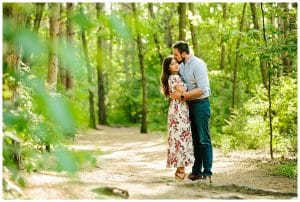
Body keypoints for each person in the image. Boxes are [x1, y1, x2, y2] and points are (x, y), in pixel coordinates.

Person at [170, 41, 213, 183]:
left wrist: (182, 96)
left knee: (203, 140)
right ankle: (196, 171)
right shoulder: (181, 66)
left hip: (201, 104)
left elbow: (203, 89)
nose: (174, 57)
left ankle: (207, 173)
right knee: (194, 140)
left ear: (183, 53)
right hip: (188, 106)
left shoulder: (198, 65)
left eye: (176, 54)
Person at [160, 56, 194, 181]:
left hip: (178, 110)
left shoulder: (173, 77)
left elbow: (182, 93)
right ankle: (180, 171)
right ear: (168, 68)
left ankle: (180, 170)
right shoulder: (174, 77)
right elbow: (184, 90)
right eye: (172, 64)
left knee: (179, 138)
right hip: (179, 111)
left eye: (176, 63)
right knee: (180, 139)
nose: (176, 65)